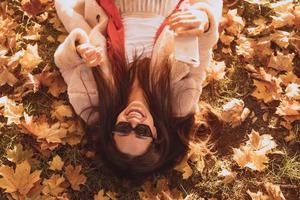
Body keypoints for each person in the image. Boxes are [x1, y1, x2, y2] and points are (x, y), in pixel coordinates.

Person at [54, 0, 223, 178]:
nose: (134, 121)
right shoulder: (180, 101)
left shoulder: (90, 97)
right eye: (142, 131)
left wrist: (79, 49)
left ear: (112, 128)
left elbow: (64, 64)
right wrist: (203, 21)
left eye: (124, 128)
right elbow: (202, 54)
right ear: (155, 133)